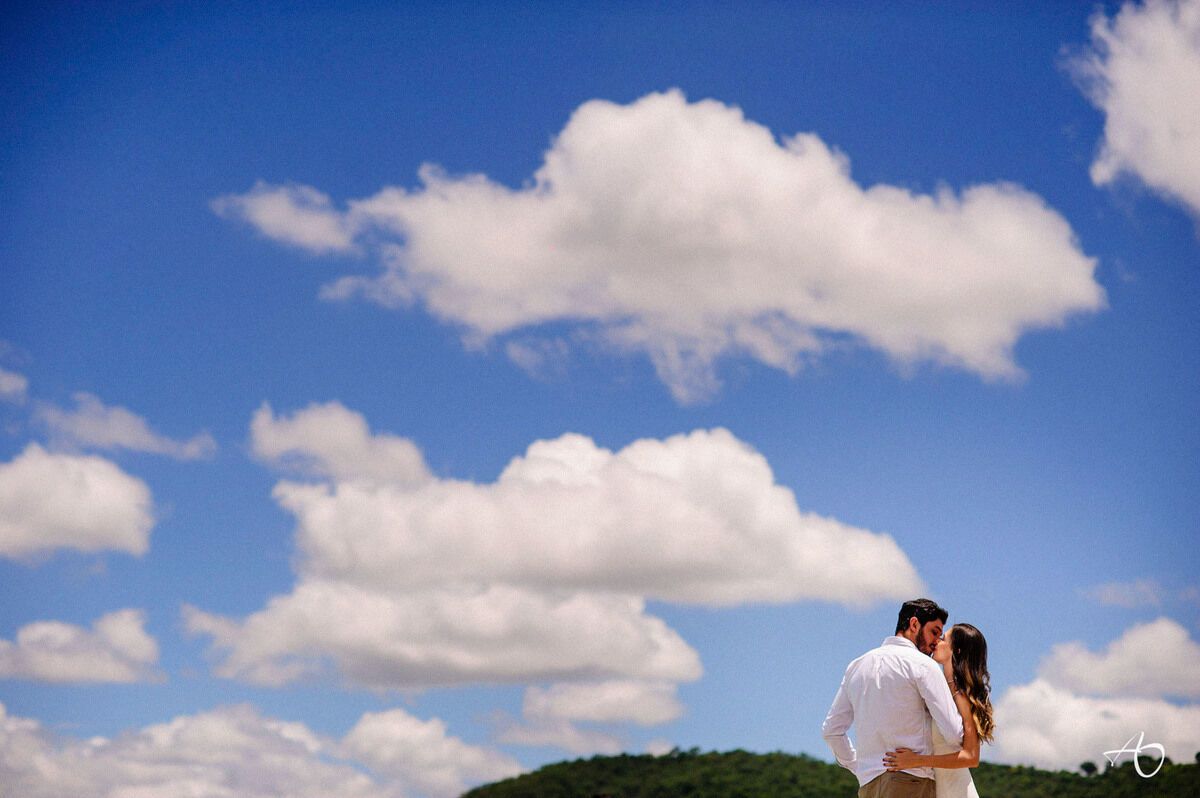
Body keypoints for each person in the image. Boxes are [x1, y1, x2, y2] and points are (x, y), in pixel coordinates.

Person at [822, 599, 964, 798]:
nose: (936, 642)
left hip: (868, 786)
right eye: (934, 632)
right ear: (914, 624)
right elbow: (954, 734)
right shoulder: (923, 665)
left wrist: (861, 766)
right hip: (911, 782)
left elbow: (831, 732)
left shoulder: (857, 666)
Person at [882, 623, 995, 798]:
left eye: (943, 639)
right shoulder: (938, 688)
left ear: (956, 651)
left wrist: (916, 761)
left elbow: (971, 757)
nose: (936, 641)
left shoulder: (963, 697)